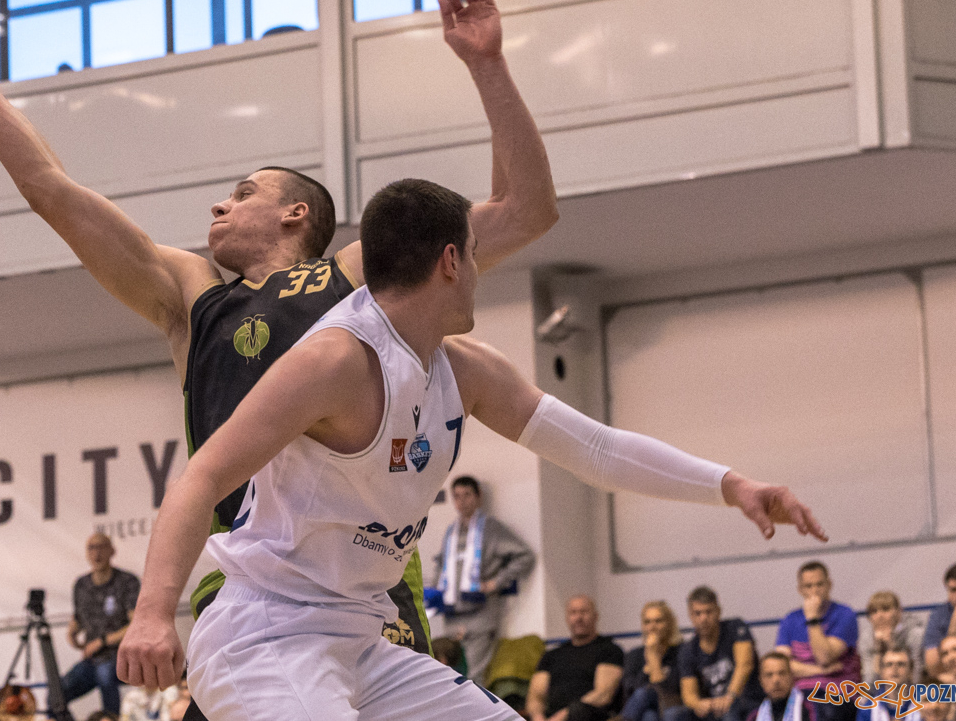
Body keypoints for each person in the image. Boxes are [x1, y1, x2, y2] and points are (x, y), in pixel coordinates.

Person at [0, 0, 561, 661]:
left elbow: (524, 209)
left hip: (365, 571)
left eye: (243, 193)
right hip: (250, 575)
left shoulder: (355, 273)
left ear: (295, 214)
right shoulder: (193, 294)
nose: (219, 205)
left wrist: (488, 63)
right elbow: (49, 189)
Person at [116, 177, 825, 720]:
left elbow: (596, 449)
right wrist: (152, 613)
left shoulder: (465, 369)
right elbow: (201, 477)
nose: (484, 270)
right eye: (478, 256)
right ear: (452, 261)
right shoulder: (334, 361)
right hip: (264, 638)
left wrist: (730, 485)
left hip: (360, 639)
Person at [429, 475, 535, 685]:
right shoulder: (451, 531)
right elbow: (442, 565)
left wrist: (495, 583)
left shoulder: (491, 528)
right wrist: (435, 591)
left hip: (480, 615)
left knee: (474, 679)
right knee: (449, 677)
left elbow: (525, 556)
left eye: (467, 495)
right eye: (457, 496)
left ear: (478, 497)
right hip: (452, 615)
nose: (462, 501)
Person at [64, 532, 142, 714]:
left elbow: (136, 623)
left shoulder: (127, 581)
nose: (96, 553)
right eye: (91, 548)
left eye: (101, 547)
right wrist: (72, 633)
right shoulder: (81, 585)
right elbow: (79, 618)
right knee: (57, 693)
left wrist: (102, 641)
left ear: (112, 551)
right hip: (92, 659)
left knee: (104, 675)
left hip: (121, 656)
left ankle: (110, 718)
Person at [777, 562, 861, 721]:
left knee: (821, 709)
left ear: (829, 585)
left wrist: (812, 619)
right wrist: (821, 670)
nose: (814, 591)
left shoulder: (845, 614)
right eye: (808, 586)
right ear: (800, 589)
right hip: (801, 693)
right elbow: (783, 665)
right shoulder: (790, 620)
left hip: (838, 692)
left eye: (819, 584)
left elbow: (824, 657)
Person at [530, 596, 625, 721]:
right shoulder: (551, 655)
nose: (578, 618)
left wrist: (562, 716)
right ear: (567, 618)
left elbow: (603, 695)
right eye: (573, 613)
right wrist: (538, 717)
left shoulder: (610, 650)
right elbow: (536, 697)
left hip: (590, 716)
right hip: (552, 717)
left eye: (584, 612)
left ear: (595, 616)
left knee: (578, 710)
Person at [680, 586, 764, 721]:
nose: (704, 618)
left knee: (729, 709)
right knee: (675, 714)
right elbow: (688, 693)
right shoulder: (688, 649)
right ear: (691, 616)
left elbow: (745, 665)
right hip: (713, 707)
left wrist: (730, 696)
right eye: (698, 613)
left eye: (708, 612)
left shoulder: (735, 628)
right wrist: (699, 704)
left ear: (718, 611)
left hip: (744, 699)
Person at [623, 600, 686, 721]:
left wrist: (653, 658)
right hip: (642, 711)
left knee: (646, 696)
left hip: (673, 706)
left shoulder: (681, 651)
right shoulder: (634, 655)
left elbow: (670, 693)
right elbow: (630, 693)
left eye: (658, 621)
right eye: (647, 622)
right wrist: (646, 668)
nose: (652, 627)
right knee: (649, 715)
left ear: (669, 624)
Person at [860, 592, 926, 684]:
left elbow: (917, 676)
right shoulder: (867, 638)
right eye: (874, 611)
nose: (880, 616)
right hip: (883, 689)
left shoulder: (915, 633)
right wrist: (878, 651)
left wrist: (891, 644)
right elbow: (869, 683)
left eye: (885, 609)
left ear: (899, 612)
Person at [856, 648, 917, 721]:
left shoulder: (924, 704)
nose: (894, 669)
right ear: (881, 672)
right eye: (889, 664)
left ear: (911, 670)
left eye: (901, 664)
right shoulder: (868, 708)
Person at [749, 652, 808, 721]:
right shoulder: (754, 716)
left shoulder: (809, 708)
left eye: (782, 673)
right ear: (761, 680)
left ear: (791, 676)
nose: (776, 680)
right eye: (769, 675)